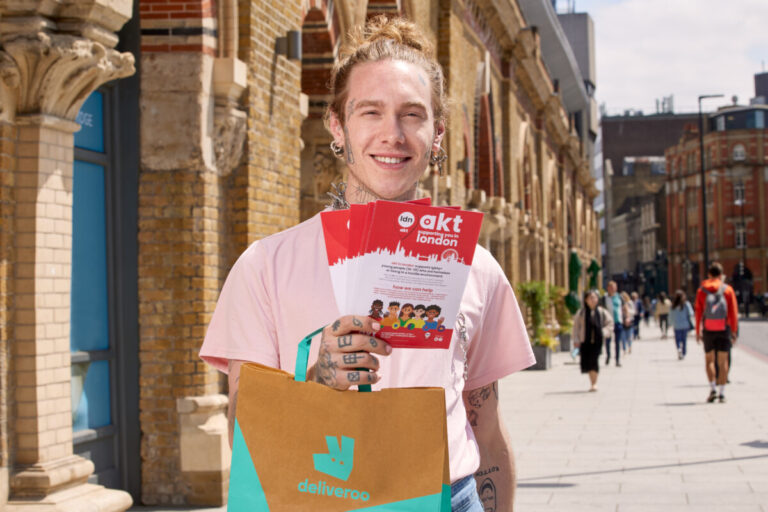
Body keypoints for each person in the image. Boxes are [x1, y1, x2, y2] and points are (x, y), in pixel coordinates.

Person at [199, 16, 535, 512]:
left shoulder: (476, 270)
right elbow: (243, 430)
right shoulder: (264, 266)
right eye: (370, 112)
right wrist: (318, 381)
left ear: (437, 134)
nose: (392, 134)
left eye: (412, 115)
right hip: (322, 498)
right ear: (338, 126)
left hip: (450, 497)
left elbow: (485, 427)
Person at [694, 262, 738, 403]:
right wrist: (734, 331)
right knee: (723, 361)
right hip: (723, 328)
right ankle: (722, 393)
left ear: (709, 274)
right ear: (721, 275)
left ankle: (712, 388)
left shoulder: (701, 290)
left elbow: (698, 312)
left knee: (709, 360)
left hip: (708, 329)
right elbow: (733, 312)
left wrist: (697, 331)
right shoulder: (728, 290)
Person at [572, 290, 613, 391]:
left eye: (594, 297)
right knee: (588, 362)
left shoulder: (602, 312)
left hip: (597, 341)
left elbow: (610, 323)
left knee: (594, 361)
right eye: (590, 298)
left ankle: (594, 383)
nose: (593, 300)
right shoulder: (581, 313)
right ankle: (592, 381)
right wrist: (576, 340)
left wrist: (604, 332)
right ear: (586, 300)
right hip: (585, 341)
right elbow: (576, 327)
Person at [603, 281, 623, 367]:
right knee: (608, 341)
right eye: (611, 287)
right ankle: (608, 355)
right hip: (608, 323)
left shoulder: (619, 297)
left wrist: (627, 317)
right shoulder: (604, 298)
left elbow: (624, 307)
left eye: (614, 287)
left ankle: (617, 360)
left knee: (617, 342)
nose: (613, 289)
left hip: (618, 321)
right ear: (608, 288)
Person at [670, 290, 694, 360]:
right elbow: (691, 313)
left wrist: (671, 323)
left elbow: (671, 316)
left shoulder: (673, 305)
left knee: (677, 339)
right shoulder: (686, 304)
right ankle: (683, 352)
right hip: (685, 324)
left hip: (676, 325)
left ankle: (678, 349)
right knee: (684, 340)